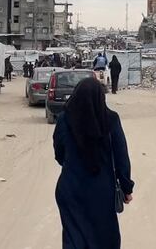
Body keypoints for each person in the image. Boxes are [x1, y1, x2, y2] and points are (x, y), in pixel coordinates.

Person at [53, 77, 135, 249]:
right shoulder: (111, 119)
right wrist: (126, 188)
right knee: (103, 238)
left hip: (71, 189)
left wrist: (72, 166)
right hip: (101, 192)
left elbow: (59, 153)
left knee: (73, 237)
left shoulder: (64, 119)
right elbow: (121, 157)